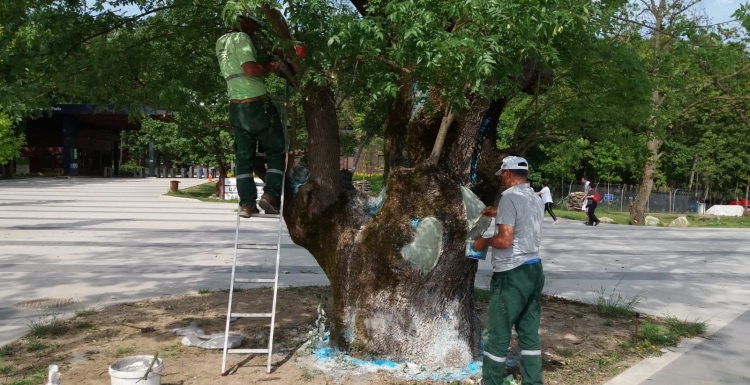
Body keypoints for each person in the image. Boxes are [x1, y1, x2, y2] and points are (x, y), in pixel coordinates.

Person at [472, 156, 545, 385]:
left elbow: (504, 241)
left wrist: (482, 242)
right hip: (534, 270)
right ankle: (534, 381)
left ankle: (491, 381)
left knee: (497, 334)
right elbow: (521, 219)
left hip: (512, 274)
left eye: (502, 175)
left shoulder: (510, 198)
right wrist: (496, 213)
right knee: (529, 332)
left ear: (507, 174)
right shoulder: (534, 197)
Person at [216, 12, 285, 218]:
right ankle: (271, 195)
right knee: (276, 151)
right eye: (252, 24)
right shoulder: (242, 38)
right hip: (256, 105)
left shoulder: (221, 41)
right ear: (243, 22)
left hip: (236, 108)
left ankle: (247, 204)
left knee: (243, 159)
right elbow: (250, 70)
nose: (254, 29)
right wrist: (270, 67)